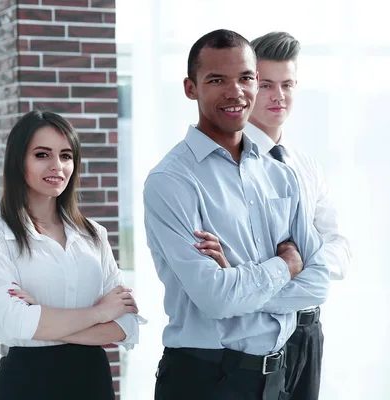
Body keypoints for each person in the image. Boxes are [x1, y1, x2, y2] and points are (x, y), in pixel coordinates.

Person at [143, 29, 330, 400]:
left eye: (245, 78)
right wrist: (286, 265)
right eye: (217, 80)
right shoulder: (171, 181)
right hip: (204, 379)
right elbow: (215, 299)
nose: (235, 91)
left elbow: (320, 281)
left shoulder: (280, 173)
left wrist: (239, 282)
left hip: (277, 378)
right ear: (190, 88)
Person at [198, 32, 352, 400]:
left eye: (287, 84)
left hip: (309, 334)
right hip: (255, 339)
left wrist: (283, 271)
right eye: (266, 84)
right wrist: (289, 268)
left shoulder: (306, 165)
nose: (278, 96)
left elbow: (340, 250)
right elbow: (222, 277)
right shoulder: (223, 165)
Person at [0, 110, 145, 400]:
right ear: (18, 161)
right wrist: (99, 313)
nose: (57, 166)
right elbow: (12, 321)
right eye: (41, 155)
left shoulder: (94, 234)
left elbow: (125, 325)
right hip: (26, 383)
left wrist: (41, 319)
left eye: (66, 156)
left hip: (93, 382)